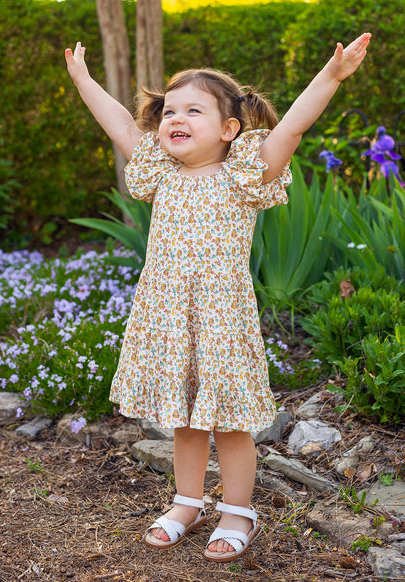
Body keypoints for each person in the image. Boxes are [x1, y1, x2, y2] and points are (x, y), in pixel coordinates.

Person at [65, 32, 371, 562]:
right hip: (167, 317)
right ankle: (186, 502)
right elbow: (117, 121)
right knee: (183, 418)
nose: (174, 118)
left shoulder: (243, 175)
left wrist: (331, 76)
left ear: (231, 130)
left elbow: (294, 124)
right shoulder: (160, 172)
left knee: (228, 422)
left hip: (220, 319)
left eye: (193, 110)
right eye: (168, 111)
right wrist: (85, 82)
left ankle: (236, 511)